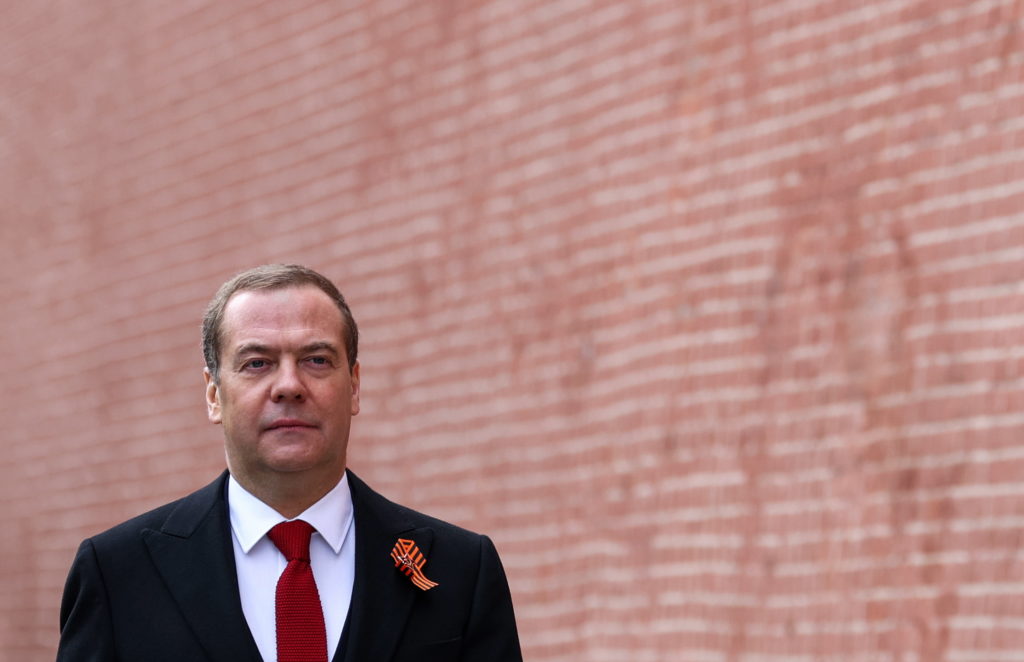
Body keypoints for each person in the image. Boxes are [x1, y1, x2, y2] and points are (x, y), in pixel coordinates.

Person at [56, 264, 522, 662]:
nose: (289, 386)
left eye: (316, 360)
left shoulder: (461, 570)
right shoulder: (118, 574)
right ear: (214, 394)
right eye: (257, 363)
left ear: (354, 385)